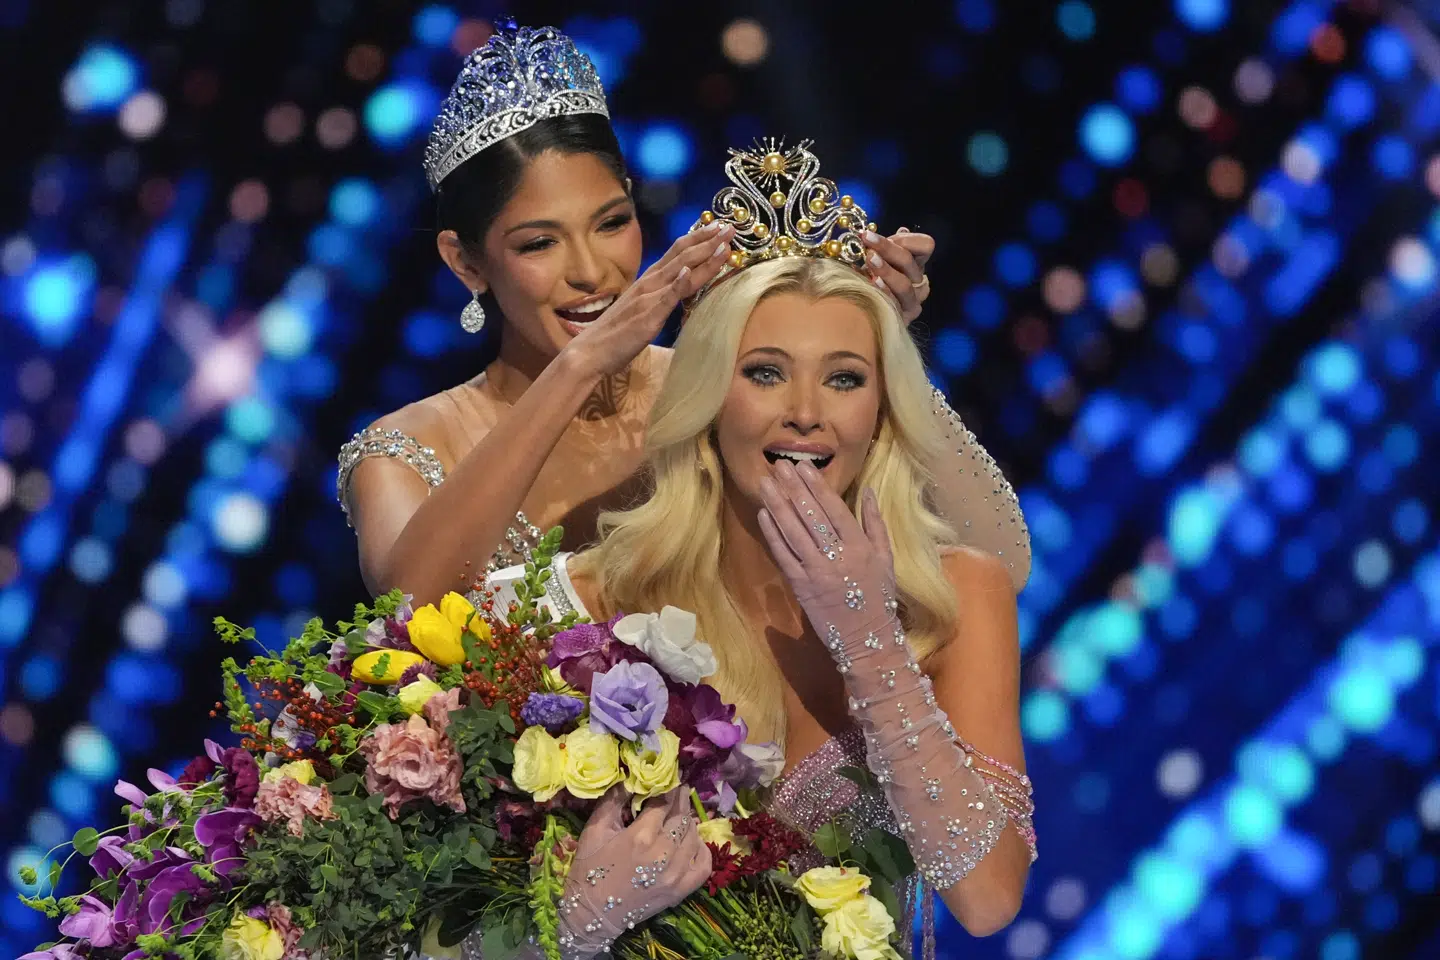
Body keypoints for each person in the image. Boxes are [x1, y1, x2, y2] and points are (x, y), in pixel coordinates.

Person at [486, 142, 1036, 958]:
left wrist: (868, 641)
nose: (806, 413)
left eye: (845, 379)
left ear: (882, 412)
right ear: (709, 399)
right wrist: (571, 927)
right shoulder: (582, 606)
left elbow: (989, 898)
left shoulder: (954, 599)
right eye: (765, 373)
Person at [336, 22, 1032, 611]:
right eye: (539, 243)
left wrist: (886, 342)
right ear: (466, 264)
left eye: (612, 224)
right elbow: (410, 614)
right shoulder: (405, 452)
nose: (590, 269)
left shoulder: (721, 390)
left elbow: (994, 563)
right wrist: (581, 366)